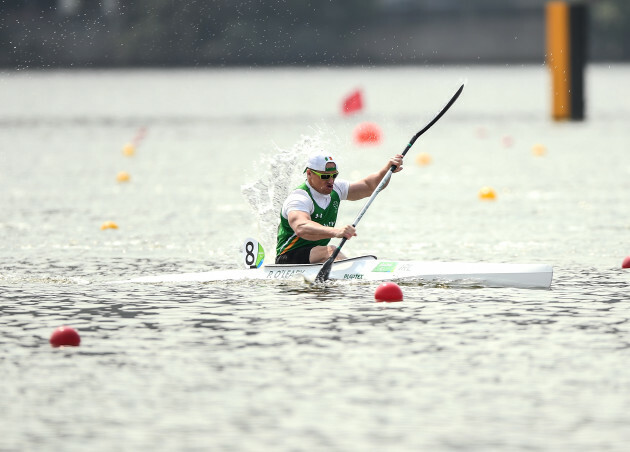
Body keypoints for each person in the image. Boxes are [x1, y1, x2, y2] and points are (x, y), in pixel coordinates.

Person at [275, 151, 404, 264]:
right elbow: (301, 227)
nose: (331, 181)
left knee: (331, 253)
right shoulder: (299, 198)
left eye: (334, 175)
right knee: (332, 251)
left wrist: (387, 171)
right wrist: (336, 232)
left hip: (316, 255)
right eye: (325, 176)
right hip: (288, 256)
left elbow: (370, 186)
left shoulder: (336, 188)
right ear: (309, 173)